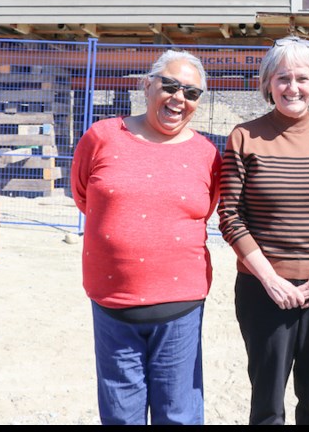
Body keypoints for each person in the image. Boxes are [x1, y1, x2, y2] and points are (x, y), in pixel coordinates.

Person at [218, 35, 309, 426]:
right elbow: (230, 215)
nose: (292, 87)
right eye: (282, 78)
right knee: (267, 399)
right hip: (264, 291)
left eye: (302, 78)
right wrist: (270, 279)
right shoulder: (244, 136)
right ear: (268, 84)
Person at [70, 49, 222, 425]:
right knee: (121, 415)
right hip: (113, 305)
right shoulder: (102, 137)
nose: (179, 98)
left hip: (180, 309)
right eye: (169, 86)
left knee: (179, 414)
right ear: (146, 85)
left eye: (191, 93)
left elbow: (206, 209)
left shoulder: (206, 154)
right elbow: (84, 196)